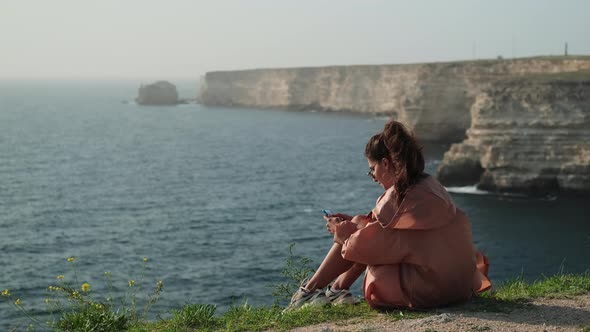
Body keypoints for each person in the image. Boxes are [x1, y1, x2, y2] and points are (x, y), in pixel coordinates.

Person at [287, 120, 491, 310]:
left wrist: (341, 232)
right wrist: (357, 226)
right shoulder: (432, 187)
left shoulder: (397, 199)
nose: (373, 177)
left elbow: (363, 245)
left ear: (385, 164)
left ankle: (308, 292)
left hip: (429, 293)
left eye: (372, 169)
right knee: (361, 224)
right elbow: (395, 237)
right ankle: (336, 290)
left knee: (360, 230)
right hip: (460, 287)